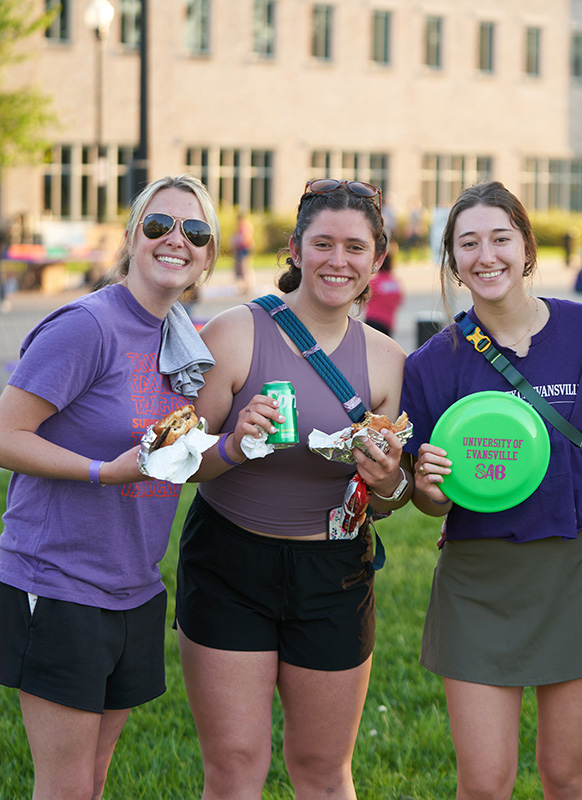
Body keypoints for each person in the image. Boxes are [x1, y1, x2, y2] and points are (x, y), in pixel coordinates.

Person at [175, 178, 410, 799]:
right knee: (233, 766)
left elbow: (386, 501)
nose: (339, 261)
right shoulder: (234, 333)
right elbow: (181, 461)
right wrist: (233, 442)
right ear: (295, 249)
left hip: (332, 571)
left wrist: (386, 481)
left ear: (376, 258)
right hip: (230, 561)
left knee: (322, 770)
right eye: (323, 244)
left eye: (356, 247)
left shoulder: (387, 361)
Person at [401, 181, 582, 800]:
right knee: (484, 782)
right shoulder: (430, 364)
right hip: (478, 583)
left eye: (500, 238)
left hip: (577, 571)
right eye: (468, 243)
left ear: (527, 248)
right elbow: (427, 499)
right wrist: (430, 490)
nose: (486, 256)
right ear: (453, 261)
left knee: (568, 773)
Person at [0, 173, 219, 799]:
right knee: (65, 786)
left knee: (93, 780)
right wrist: (104, 471)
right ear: (131, 238)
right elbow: (5, 434)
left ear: (207, 255)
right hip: (61, 581)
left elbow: (176, 456)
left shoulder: (179, 340)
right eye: (159, 225)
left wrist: (237, 441)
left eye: (195, 231)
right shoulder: (87, 326)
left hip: (135, 587)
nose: (175, 240)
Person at [364, 240, 404, 337]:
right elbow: (399, 301)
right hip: (388, 322)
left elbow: (364, 298)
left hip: (372, 319)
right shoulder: (395, 283)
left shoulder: (374, 282)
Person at [232, 211, 256, 295]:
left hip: (243, 248)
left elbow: (245, 238)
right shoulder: (245, 225)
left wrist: (237, 244)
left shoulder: (244, 226)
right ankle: (245, 286)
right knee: (243, 267)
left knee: (244, 267)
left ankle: (247, 286)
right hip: (243, 248)